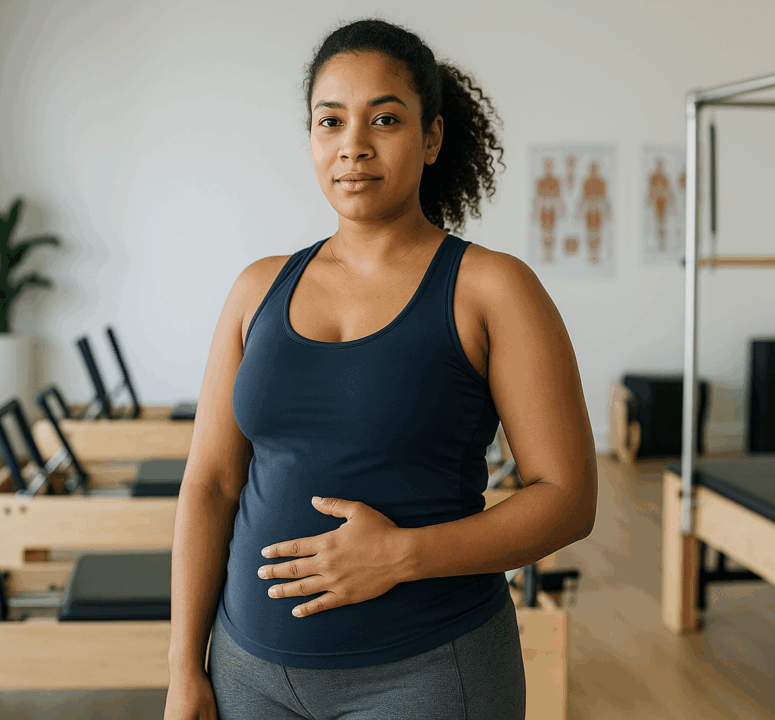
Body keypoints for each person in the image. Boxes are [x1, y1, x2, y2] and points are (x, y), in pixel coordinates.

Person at [164, 18, 597, 720]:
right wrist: (185, 666)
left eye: (385, 119)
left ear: (431, 138)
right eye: (329, 121)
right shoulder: (256, 290)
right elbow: (211, 484)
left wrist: (400, 556)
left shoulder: (492, 289)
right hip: (247, 670)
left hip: (424, 672)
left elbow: (569, 498)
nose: (353, 146)